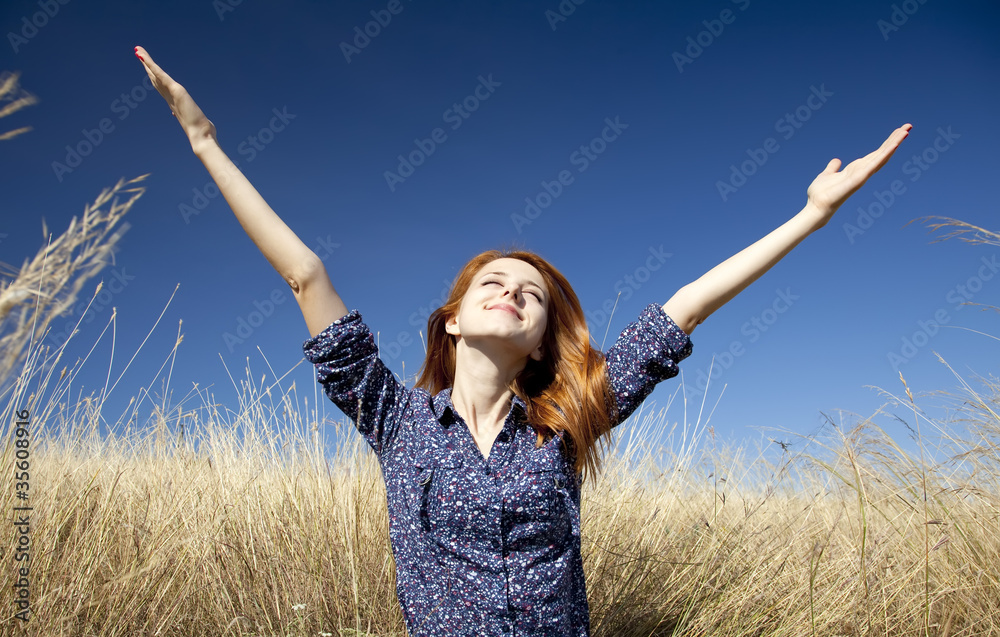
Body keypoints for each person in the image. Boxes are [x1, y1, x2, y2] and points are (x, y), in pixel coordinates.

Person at [134, 45, 911, 636]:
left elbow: (685, 308)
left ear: (541, 341)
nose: (512, 291)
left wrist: (811, 216)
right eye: (492, 284)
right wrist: (204, 142)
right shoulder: (397, 425)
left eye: (531, 294)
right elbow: (305, 274)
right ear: (453, 320)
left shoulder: (568, 419)